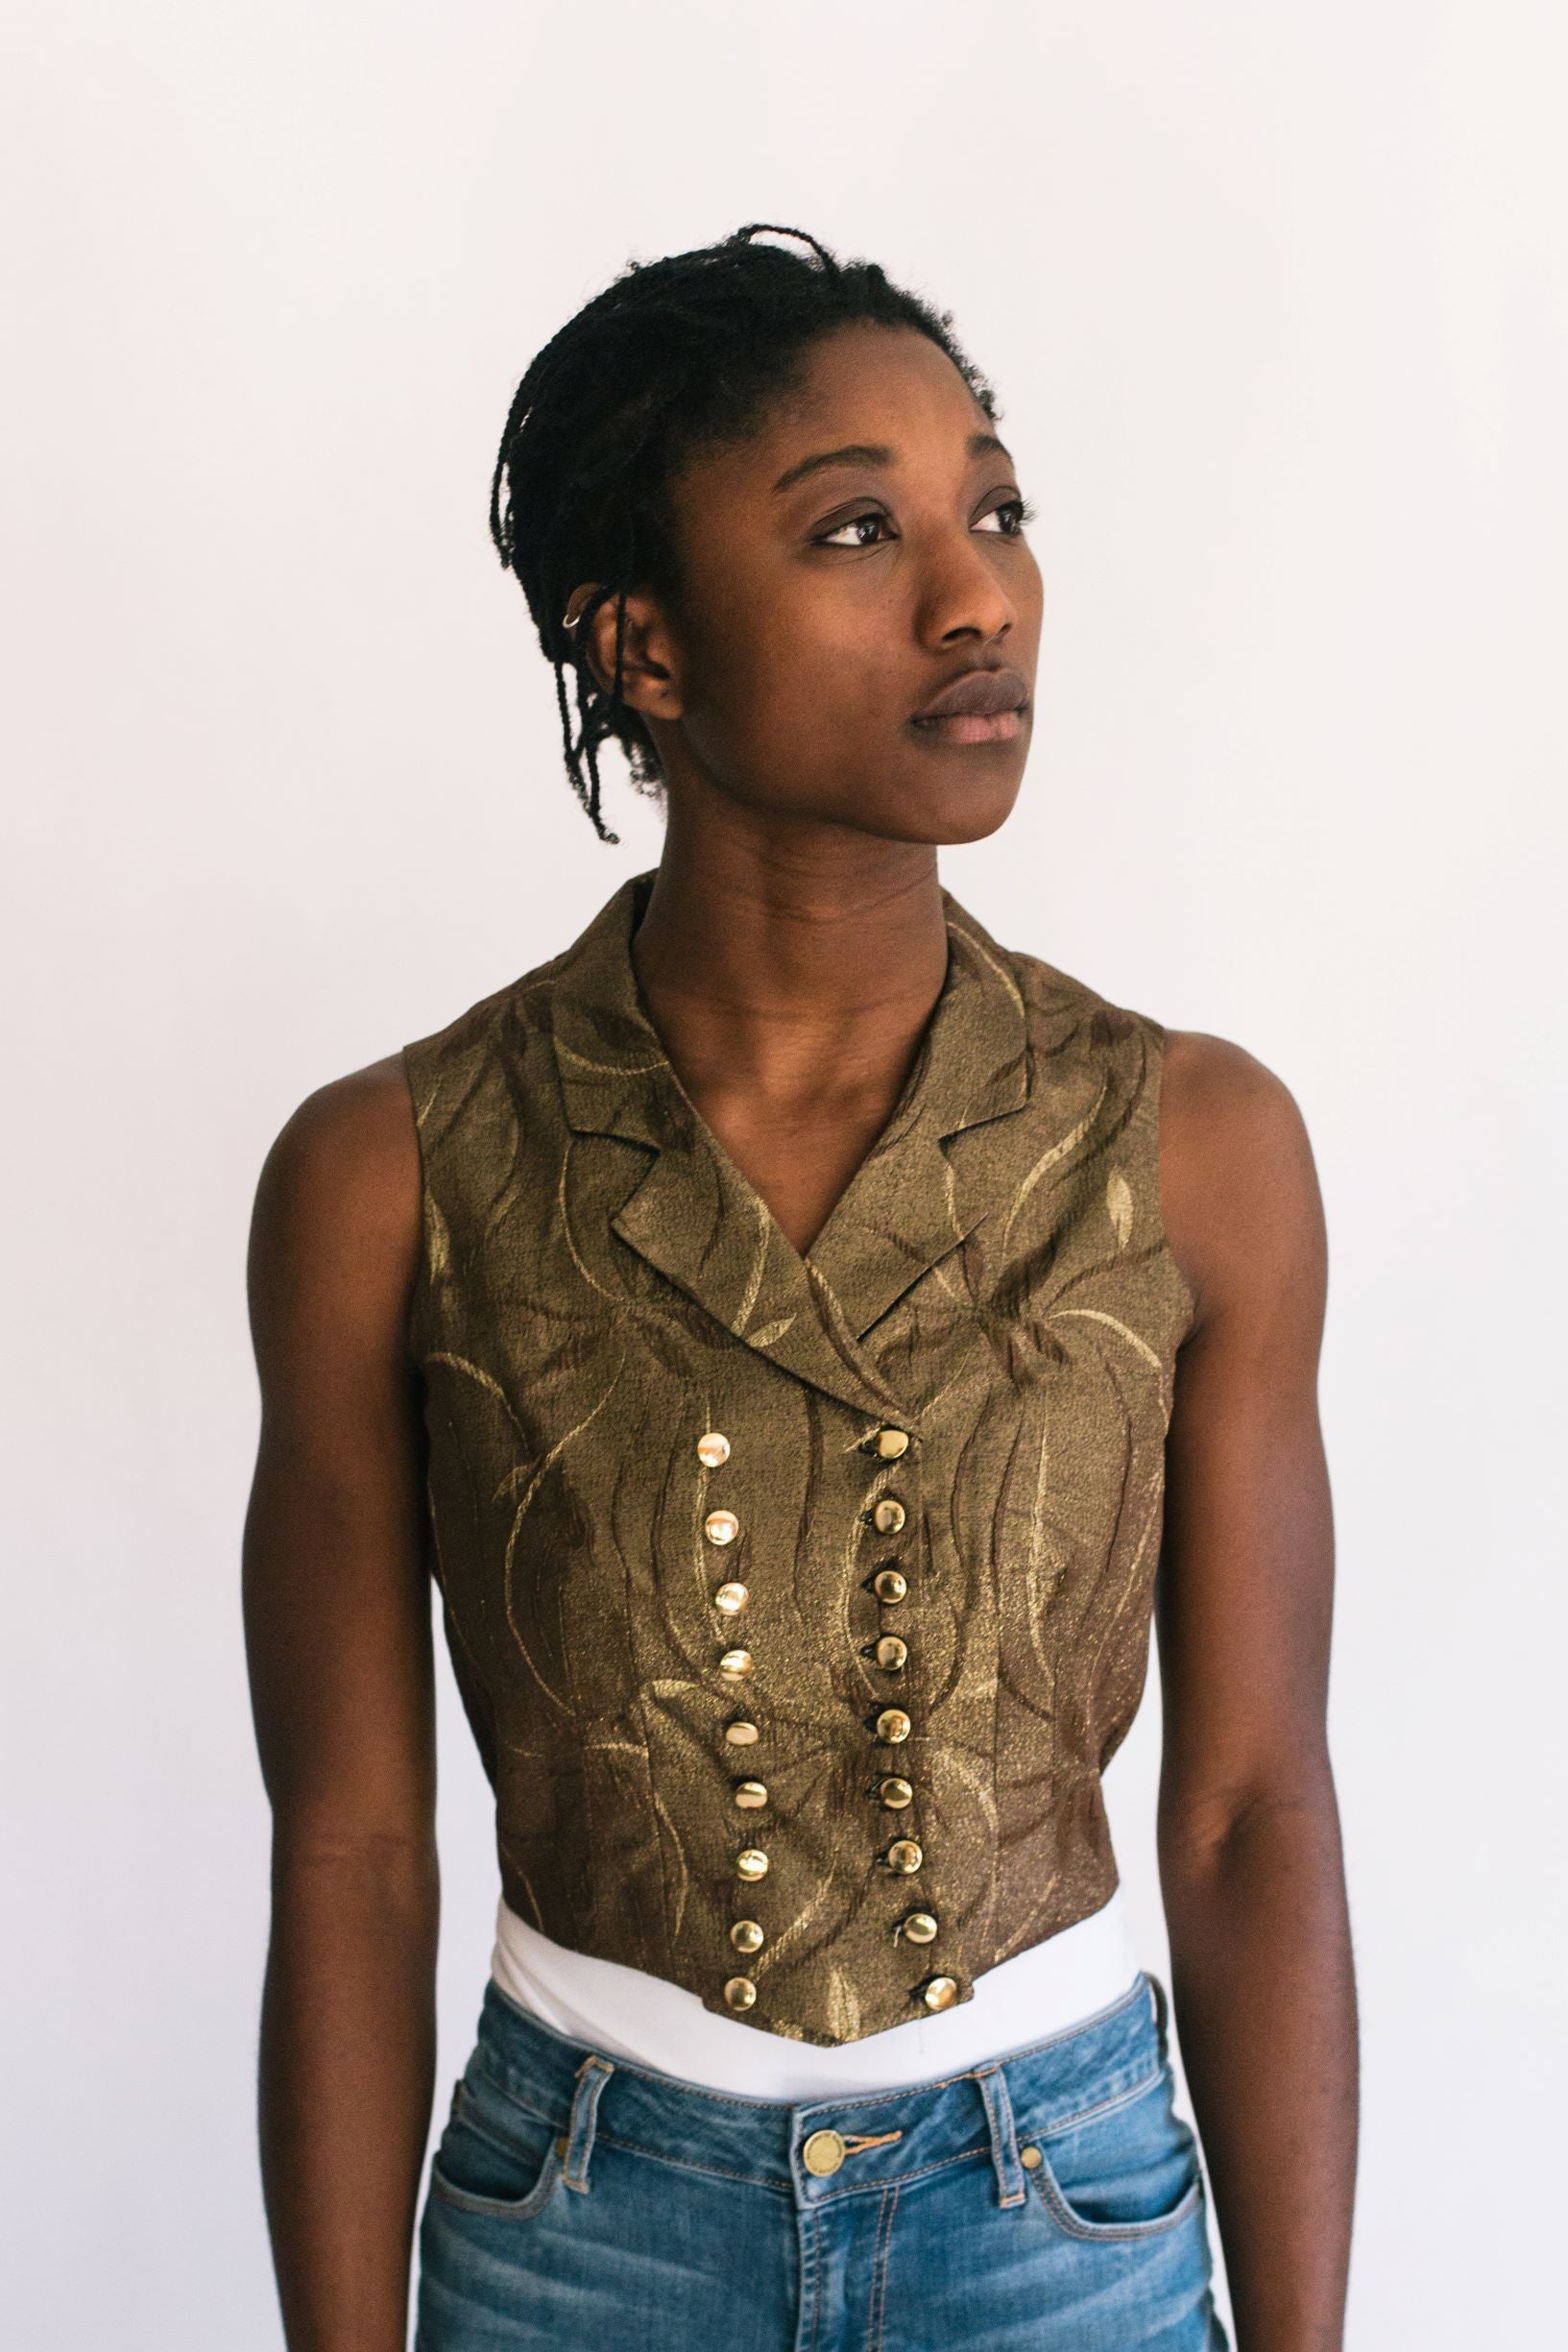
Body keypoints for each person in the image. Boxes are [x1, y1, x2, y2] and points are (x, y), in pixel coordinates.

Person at [243, 224, 1357, 2352]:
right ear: (644, 652)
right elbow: (354, 1853)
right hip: (579, 2218)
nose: (977, 592)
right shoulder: (391, 1175)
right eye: (859, 527)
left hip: (1067, 2217)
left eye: (995, 508)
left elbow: (1246, 1810)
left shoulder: (1192, 1146)